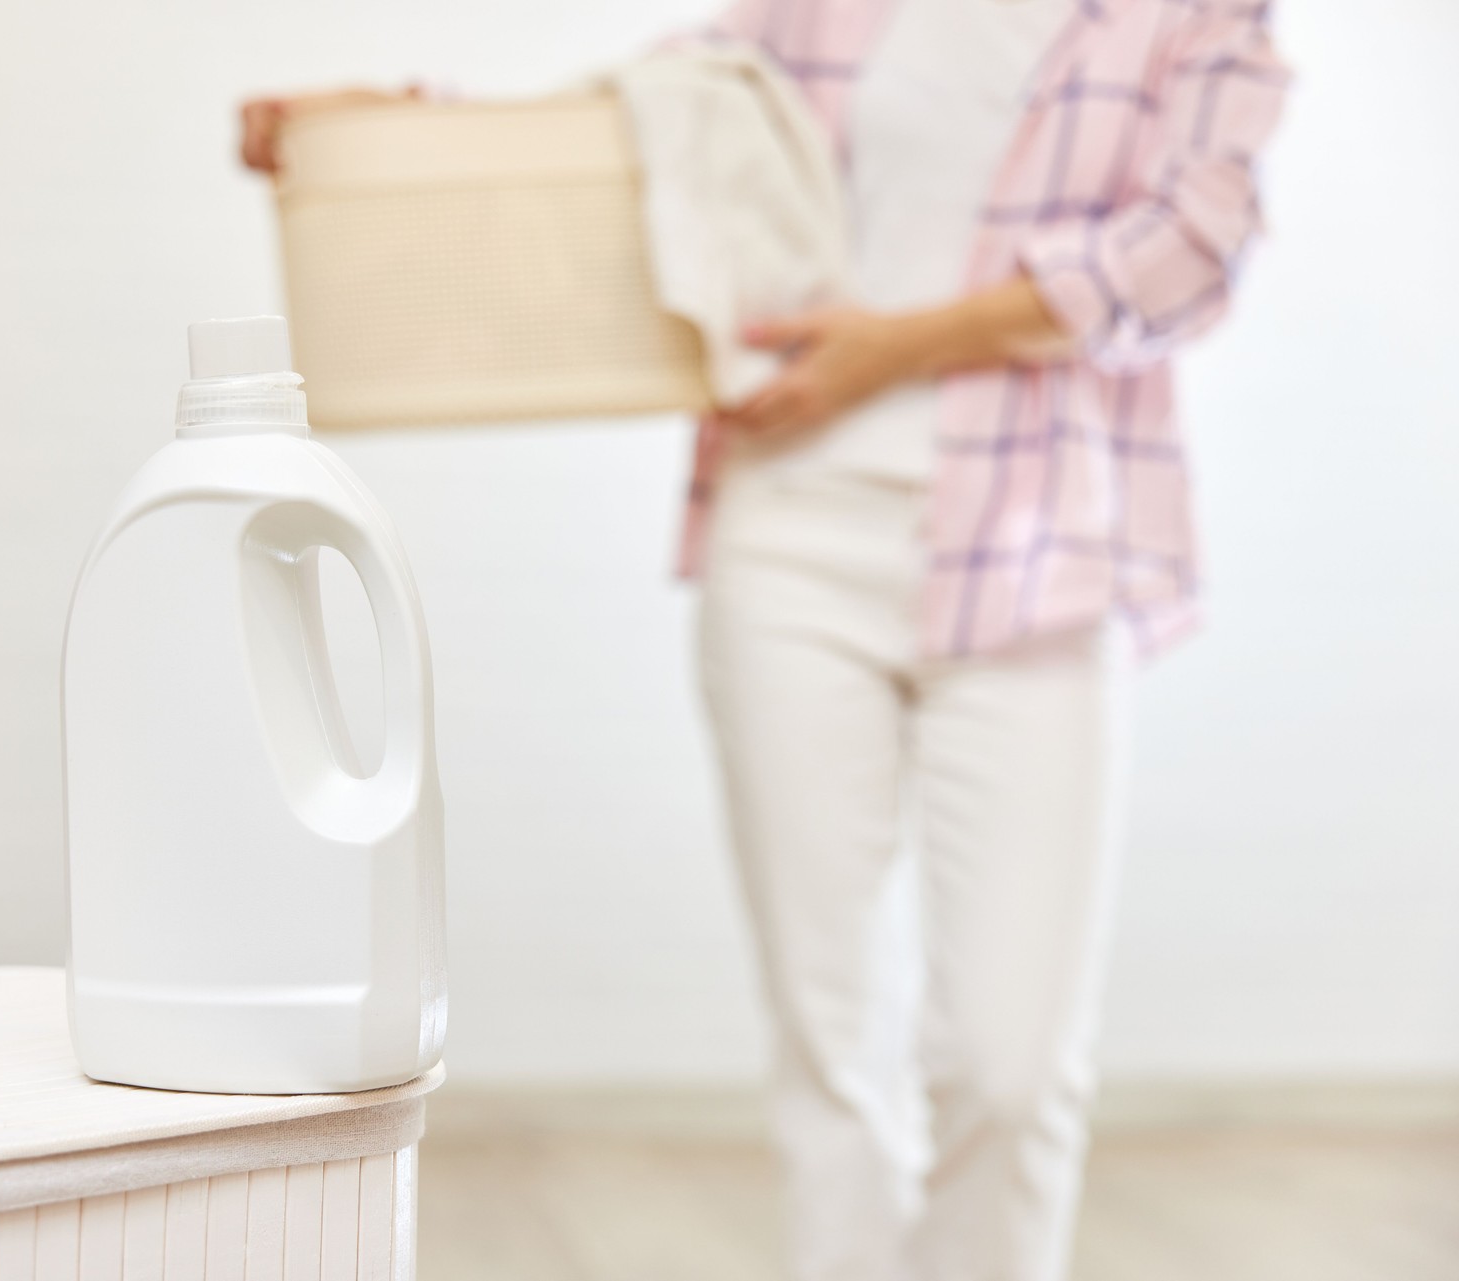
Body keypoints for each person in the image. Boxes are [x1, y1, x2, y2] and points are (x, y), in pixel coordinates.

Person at [242, 2, 1288, 1276]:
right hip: (792, 541)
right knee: (829, 1037)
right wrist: (392, 133)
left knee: (1012, 1068)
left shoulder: (1200, 21)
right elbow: (641, 130)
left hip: (1041, 556)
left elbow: (1194, 250)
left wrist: (891, 349)